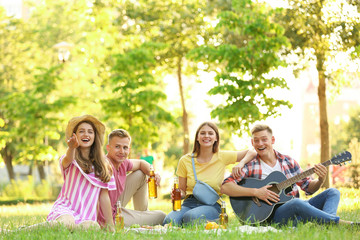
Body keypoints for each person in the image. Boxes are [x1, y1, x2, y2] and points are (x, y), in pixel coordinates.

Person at [221, 123, 359, 226]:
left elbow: (308, 187)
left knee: (332, 192)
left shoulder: (288, 161)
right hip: (271, 218)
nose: (260, 143)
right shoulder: (251, 165)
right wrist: (257, 192)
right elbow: (225, 187)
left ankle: (327, 224)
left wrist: (321, 178)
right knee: (296, 202)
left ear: (272, 140)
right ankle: (340, 224)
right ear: (252, 143)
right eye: (256, 140)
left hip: (296, 213)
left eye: (264, 139)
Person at [163, 121, 257, 226]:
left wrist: (241, 163)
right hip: (189, 204)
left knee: (191, 217)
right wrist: (179, 194)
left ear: (216, 138)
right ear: (197, 138)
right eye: (202, 133)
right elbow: (182, 191)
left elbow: (252, 152)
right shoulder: (185, 160)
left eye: (210, 133)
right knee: (169, 221)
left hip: (212, 205)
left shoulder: (222, 156)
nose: (206, 136)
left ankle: (213, 220)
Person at [47, 115, 116, 231]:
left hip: (86, 217)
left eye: (90, 132)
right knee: (67, 223)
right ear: (75, 136)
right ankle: (22, 230)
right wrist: (71, 148)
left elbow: (104, 197)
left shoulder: (104, 165)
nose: (86, 134)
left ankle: (71, 231)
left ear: (95, 137)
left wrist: (111, 226)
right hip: (65, 209)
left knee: (94, 228)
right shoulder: (71, 159)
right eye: (81, 131)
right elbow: (67, 159)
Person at [97, 129, 166, 227]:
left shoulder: (123, 163)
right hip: (110, 217)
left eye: (125, 148)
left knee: (140, 173)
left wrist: (153, 174)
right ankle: (143, 217)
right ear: (108, 148)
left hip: (116, 205)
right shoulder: (105, 165)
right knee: (161, 216)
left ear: (129, 150)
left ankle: (143, 213)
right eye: (117, 147)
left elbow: (141, 163)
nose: (121, 151)